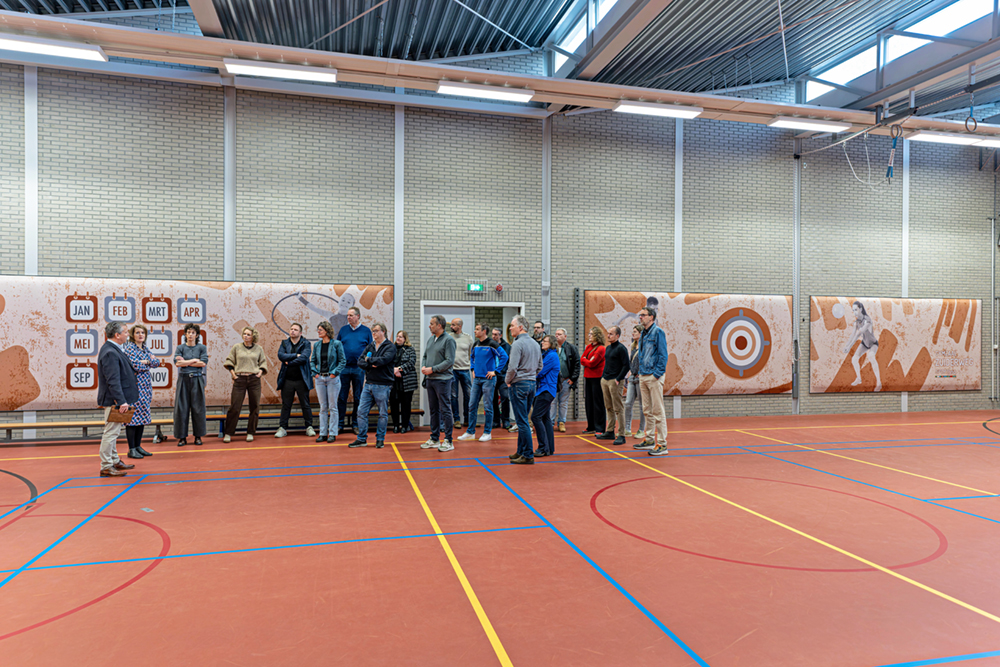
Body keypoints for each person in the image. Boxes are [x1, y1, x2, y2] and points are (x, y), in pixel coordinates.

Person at [96, 321, 138, 477]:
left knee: (114, 432)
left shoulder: (113, 349)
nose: (128, 334)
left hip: (116, 399)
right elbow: (113, 380)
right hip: (114, 401)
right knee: (111, 433)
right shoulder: (110, 352)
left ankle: (114, 460)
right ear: (117, 335)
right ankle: (106, 465)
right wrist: (121, 401)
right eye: (126, 332)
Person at [457, 323, 508, 443]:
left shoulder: (492, 344)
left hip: (488, 379)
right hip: (477, 380)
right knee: (471, 405)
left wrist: (496, 371)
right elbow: (472, 357)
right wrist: (473, 369)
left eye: (477, 329)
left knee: (488, 406)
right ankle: (470, 432)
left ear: (484, 331)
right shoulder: (476, 344)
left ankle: (487, 432)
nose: (475, 331)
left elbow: (504, 356)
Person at [349, 323, 395, 449]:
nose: (373, 333)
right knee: (361, 412)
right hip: (368, 384)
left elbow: (384, 360)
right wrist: (371, 364)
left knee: (382, 414)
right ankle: (361, 438)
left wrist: (369, 360)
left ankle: (380, 439)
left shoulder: (390, 346)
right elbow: (360, 361)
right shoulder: (370, 346)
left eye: (376, 331)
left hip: (383, 385)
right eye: (372, 331)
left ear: (383, 332)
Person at [506, 315, 542, 465]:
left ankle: (527, 454)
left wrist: (507, 380)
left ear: (520, 327)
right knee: (523, 420)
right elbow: (540, 366)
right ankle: (520, 451)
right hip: (531, 384)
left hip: (519, 384)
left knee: (522, 422)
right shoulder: (535, 344)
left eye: (512, 325)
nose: (510, 328)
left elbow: (512, 367)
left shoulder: (517, 344)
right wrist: (531, 376)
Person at [223, 326, 268, 443]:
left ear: (253, 337)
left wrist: (259, 373)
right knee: (235, 406)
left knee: (255, 406)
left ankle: (250, 432)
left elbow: (263, 362)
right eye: (244, 334)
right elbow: (229, 361)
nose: (245, 336)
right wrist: (233, 375)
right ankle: (228, 433)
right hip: (240, 379)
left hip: (254, 380)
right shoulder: (236, 347)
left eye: (248, 334)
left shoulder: (258, 348)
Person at [634, 307, 669, 456]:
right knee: (647, 410)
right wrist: (640, 372)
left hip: (654, 376)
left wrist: (657, 374)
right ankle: (649, 439)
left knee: (657, 411)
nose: (640, 317)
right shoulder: (643, 333)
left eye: (643, 315)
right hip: (643, 375)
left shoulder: (658, 332)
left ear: (651, 317)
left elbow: (663, 355)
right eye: (640, 315)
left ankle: (662, 444)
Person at [123, 324, 161, 458]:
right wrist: (148, 362)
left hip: (145, 388)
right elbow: (135, 365)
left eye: (143, 333)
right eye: (137, 332)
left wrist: (147, 362)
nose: (140, 335)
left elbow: (157, 363)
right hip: (134, 387)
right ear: (132, 335)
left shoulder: (145, 348)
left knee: (142, 417)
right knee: (132, 419)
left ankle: (138, 446)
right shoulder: (129, 348)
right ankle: (131, 448)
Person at [421, 315, 456, 452]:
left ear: (439, 325)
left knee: (445, 409)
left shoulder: (449, 340)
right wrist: (424, 367)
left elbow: (449, 361)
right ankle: (434, 438)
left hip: (443, 380)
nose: (429, 326)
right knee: (433, 410)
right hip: (430, 379)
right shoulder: (431, 339)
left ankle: (448, 440)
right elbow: (425, 356)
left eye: (432, 324)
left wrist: (433, 369)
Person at [337, 306, 372, 434]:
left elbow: (370, 350)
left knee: (358, 397)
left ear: (358, 316)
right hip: (344, 369)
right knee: (342, 397)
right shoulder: (343, 330)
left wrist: (366, 364)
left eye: (351, 315)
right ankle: (339, 424)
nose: (348, 317)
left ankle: (356, 424)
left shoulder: (366, 331)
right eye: (348, 315)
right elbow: (337, 347)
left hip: (359, 369)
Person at [275, 322, 314, 439]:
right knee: (286, 405)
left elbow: (304, 358)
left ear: (300, 333)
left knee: (305, 404)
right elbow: (281, 356)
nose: (292, 331)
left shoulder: (306, 343)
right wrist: (296, 355)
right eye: (291, 329)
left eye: (295, 330)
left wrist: (289, 362)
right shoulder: (284, 343)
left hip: (302, 380)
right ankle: (282, 428)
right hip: (287, 380)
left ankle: (309, 427)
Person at [174, 323, 208, 448]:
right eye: (188, 332)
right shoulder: (180, 347)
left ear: (197, 335)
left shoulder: (202, 348)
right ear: (185, 334)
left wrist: (185, 362)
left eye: (193, 332)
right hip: (183, 379)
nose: (190, 335)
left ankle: (198, 436)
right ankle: (182, 437)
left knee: (198, 408)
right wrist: (194, 360)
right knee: (181, 408)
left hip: (197, 379)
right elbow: (177, 364)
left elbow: (203, 363)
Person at [311, 321, 345, 442]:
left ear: (327, 331)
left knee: (333, 407)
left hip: (332, 379)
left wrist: (334, 373)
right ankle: (323, 433)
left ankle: (333, 433)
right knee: (323, 407)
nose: (318, 331)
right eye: (318, 329)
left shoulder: (336, 344)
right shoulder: (317, 345)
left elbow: (342, 361)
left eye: (320, 329)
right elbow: (312, 361)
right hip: (320, 379)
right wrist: (315, 373)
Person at [596, 326, 630, 446]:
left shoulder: (621, 348)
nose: (608, 335)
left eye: (611, 334)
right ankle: (610, 431)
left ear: (617, 336)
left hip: (615, 381)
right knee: (609, 407)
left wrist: (618, 378)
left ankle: (621, 435)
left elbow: (626, 365)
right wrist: (603, 377)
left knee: (618, 408)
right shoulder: (608, 348)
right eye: (608, 333)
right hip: (605, 380)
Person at [532, 334, 559, 457]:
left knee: (536, 417)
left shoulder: (551, 356)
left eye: (545, 341)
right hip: (545, 390)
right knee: (545, 419)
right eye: (542, 341)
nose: (542, 342)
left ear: (551, 343)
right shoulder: (548, 355)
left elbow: (540, 372)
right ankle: (549, 448)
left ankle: (543, 447)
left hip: (546, 390)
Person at [844, 301, 882, 391]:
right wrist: (846, 345)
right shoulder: (856, 323)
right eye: (853, 310)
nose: (855, 312)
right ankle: (858, 379)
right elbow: (852, 335)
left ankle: (879, 382)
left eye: (856, 309)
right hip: (864, 343)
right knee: (854, 359)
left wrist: (849, 347)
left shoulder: (867, 320)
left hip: (873, 344)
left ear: (861, 309)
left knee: (871, 356)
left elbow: (858, 334)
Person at [551, 328, 579, 433]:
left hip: (566, 380)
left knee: (563, 403)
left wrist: (573, 379)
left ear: (565, 336)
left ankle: (561, 422)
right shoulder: (552, 348)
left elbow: (577, 364)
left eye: (559, 334)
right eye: (556, 334)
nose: (557, 336)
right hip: (553, 380)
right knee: (552, 402)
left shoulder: (571, 348)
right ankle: (550, 423)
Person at [580, 327, 606, 435]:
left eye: (591, 334)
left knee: (598, 403)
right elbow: (581, 359)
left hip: (597, 378)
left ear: (597, 335)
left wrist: (586, 360)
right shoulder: (589, 347)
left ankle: (600, 428)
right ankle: (591, 426)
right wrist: (586, 360)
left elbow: (592, 363)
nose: (589, 335)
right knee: (589, 403)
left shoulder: (601, 348)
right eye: (589, 333)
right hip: (588, 377)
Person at [390, 330, 418, 433]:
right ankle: (396, 425)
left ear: (405, 339)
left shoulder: (410, 349)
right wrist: (394, 370)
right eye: (397, 336)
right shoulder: (392, 349)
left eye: (400, 337)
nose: (398, 338)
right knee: (394, 404)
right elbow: (387, 362)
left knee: (406, 405)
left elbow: (411, 362)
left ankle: (405, 426)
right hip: (393, 381)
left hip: (407, 381)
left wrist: (399, 369)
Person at [449, 318, 474, 429]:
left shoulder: (468, 338)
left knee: (468, 395)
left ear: (459, 326)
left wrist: (471, 367)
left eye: (453, 325)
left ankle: (467, 419)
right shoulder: (449, 337)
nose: (451, 327)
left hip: (465, 370)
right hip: (452, 370)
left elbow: (471, 354)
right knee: (453, 396)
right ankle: (457, 420)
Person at [624, 325, 646, 438]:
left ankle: (641, 430)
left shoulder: (645, 346)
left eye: (635, 332)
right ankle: (627, 429)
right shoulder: (633, 346)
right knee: (628, 403)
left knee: (642, 405)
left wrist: (641, 372)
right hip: (632, 378)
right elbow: (631, 362)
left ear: (641, 333)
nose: (633, 333)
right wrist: (628, 375)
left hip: (640, 378)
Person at [491, 327, 512, 431]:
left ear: (500, 335)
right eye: (492, 334)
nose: (493, 336)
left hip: (503, 376)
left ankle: (506, 420)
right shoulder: (489, 345)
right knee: (493, 398)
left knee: (505, 397)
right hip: (492, 375)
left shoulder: (507, 347)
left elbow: (510, 361)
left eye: (496, 334)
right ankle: (496, 420)